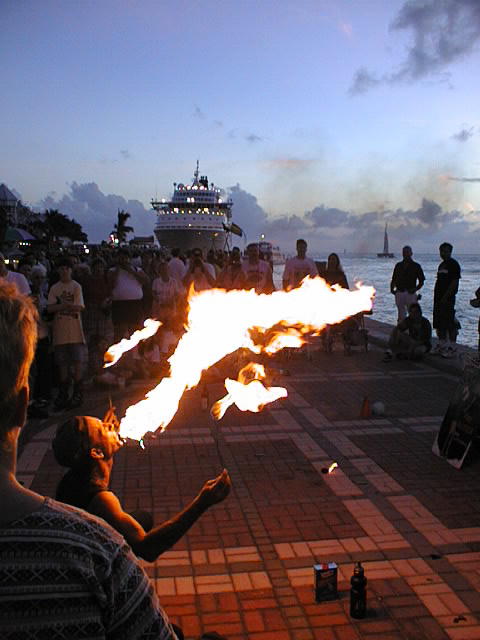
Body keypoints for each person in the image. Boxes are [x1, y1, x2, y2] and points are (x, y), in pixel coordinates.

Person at [0, 281, 178, 640]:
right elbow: (145, 546)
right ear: (23, 406)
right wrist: (206, 498)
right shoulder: (98, 553)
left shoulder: (87, 512)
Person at [53, 411, 231, 562]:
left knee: (143, 519)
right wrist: (202, 502)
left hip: (80, 547)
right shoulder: (101, 501)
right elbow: (147, 549)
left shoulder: (74, 476)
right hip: (87, 565)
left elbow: (95, 452)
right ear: (97, 453)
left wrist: (103, 435)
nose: (110, 426)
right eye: (102, 429)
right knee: (136, 532)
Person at [47, 257, 87, 410]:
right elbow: (50, 308)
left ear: (71, 270)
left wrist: (62, 305)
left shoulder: (76, 286)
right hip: (60, 332)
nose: (64, 271)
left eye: (66, 268)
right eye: (61, 268)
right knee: (63, 364)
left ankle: (77, 393)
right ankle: (64, 393)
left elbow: (79, 306)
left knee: (77, 363)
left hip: (75, 331)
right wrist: (63, 306)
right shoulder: (54, 288)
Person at [108, 248, 149, 341]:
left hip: (135, 304)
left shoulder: (137, 270)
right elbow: (111, 284)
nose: (123, 260)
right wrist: (118, 270)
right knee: (119, 331)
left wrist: (132, 271)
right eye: (121, 258)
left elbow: (146, 281)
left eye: (125, 258)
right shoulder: (112, 271)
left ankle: (136, 353)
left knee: (135, 330)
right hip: (119, 305)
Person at [432, 242, 461, 358]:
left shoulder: (453, 265)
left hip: (447, 299)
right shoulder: (442, 265)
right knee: (439, 322)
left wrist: (446, 296)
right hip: (438, 299)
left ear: (450, 252)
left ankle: (452, 347)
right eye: (441, 251)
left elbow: (454, 282)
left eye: (446, 251)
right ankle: (442, 344)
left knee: (450, 322)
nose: (443, 253)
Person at [390, 246, 425, 323]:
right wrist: (392, 289)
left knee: (413, 313)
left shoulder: (416, 266)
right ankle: (402, 331)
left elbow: (421, 281)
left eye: (407, 252)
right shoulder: (398, 265)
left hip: (410, 293)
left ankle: (413, 330)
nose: (406, 254)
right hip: (399, 292)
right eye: (404, 252)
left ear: (411, 253)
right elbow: (394, 279)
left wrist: (415, 289)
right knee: (401, 314)